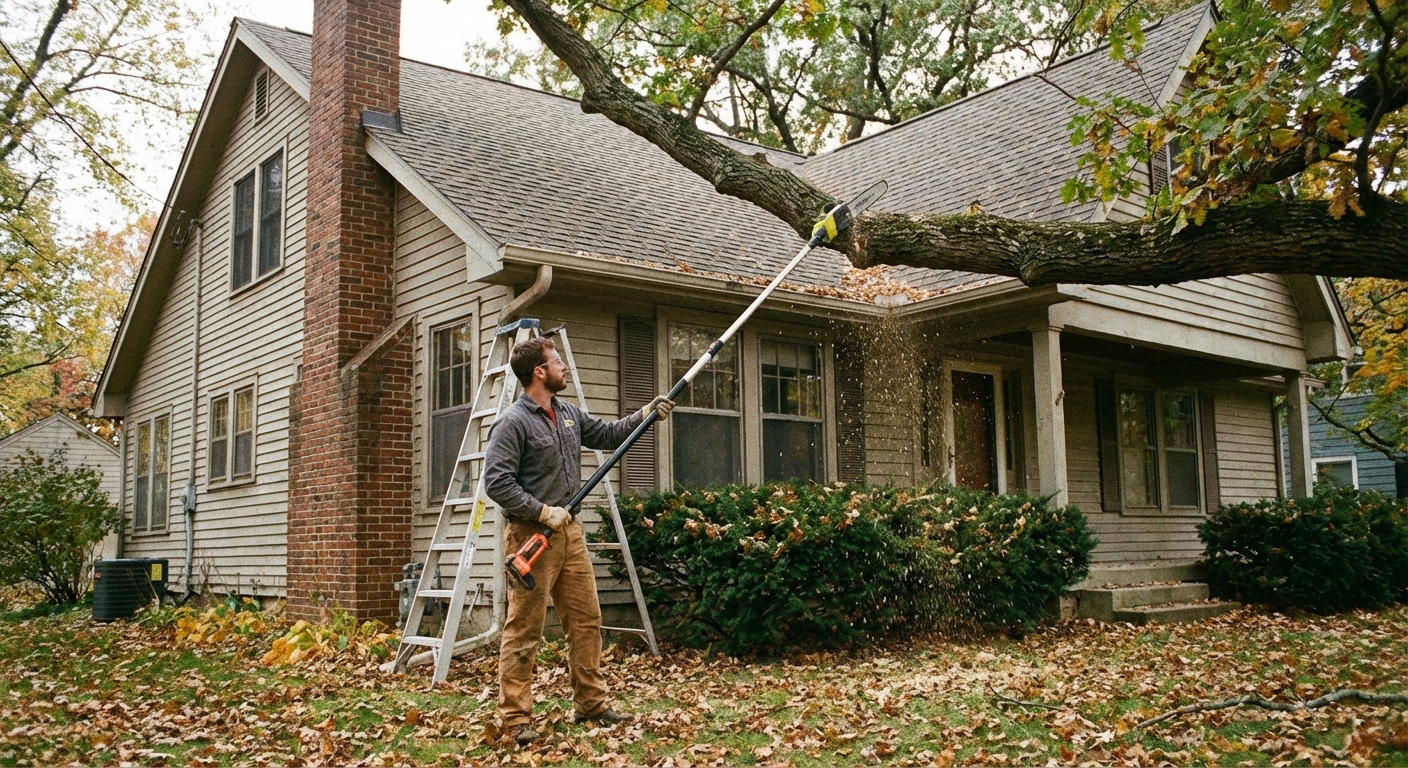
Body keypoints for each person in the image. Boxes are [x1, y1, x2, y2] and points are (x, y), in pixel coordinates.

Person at [483, 335, 674, 745]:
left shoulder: (567, 413)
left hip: (569, 533)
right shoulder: (513, 422)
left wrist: (644, 414)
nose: (564, 367)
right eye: (557, 361)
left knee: (586, 621)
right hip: (530, 536)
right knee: (524, 629)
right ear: (539, 371)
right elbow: (496, 482)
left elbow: (607, 434)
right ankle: (516, 720)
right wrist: (540, 510)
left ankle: (591, 704)